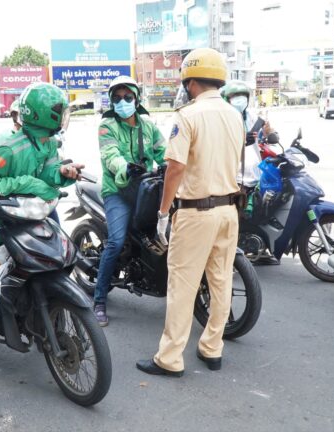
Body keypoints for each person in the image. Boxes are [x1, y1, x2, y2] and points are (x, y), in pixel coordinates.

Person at [0, 82, 84, 382]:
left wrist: (62, 173)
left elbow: (47, 174)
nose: (64, 117)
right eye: (60, 111)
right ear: (44, 115)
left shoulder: (47, 143)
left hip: (24, 224)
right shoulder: (9, 147)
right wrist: (28, 184)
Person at [137, 48, 244, 377]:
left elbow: (175, 169)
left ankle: (170, 358)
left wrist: (163, 212)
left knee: (182, 285)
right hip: (229, 210)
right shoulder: (233, 115)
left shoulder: (188, 116)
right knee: (221, 280)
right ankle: (212, 348)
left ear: (190, 82)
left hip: (196, 213)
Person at [93, 75, 166, 326]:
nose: (122, 101)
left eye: (127, 97)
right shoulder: (107, 126)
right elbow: (109, 155)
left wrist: (172, 164)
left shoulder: (148, 126)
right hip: (118, 190)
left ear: (136, 99)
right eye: (117, 98)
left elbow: (163, 150)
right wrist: (124, 166)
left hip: (146, 188)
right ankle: (99, 300)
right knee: (114, 242)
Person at [220, 80, 264, 186]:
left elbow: (266, 133)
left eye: (243, 96)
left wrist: (269, 132)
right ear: (226, 99)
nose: (240, 100)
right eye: (236, 96)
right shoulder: (222, 119)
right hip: (235, 179)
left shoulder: (252, 117)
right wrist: (242, 140)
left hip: (256, 175)